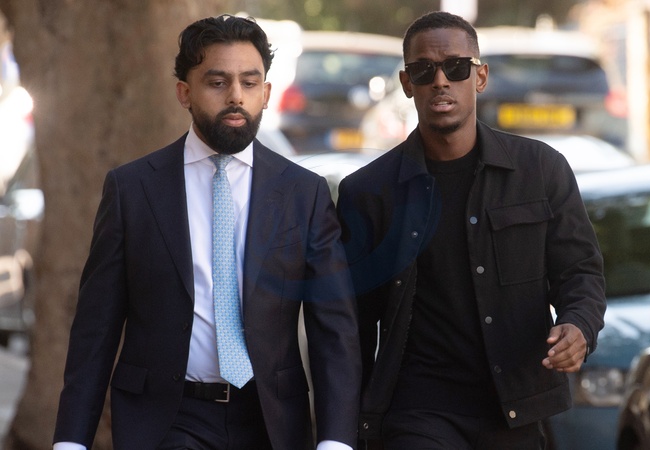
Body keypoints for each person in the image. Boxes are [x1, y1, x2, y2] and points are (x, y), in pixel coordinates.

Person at [53, 14, 360, 450]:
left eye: (249, 83)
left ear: (266, 93)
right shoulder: (133, 189)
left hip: (271, 420)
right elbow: (95, 326)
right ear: (185, 92)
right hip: (166, 418)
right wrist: (71, 441)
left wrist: (336, 440)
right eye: (217, 82)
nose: (236, 96)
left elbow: (334, 327)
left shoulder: (304, 193)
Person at [336, 11, 606, 450]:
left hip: (515, 405)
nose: (440, 81)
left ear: (479, 77)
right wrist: (348, 429)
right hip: (417, 412)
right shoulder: (368, 193)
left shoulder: (540, 170)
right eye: (424, 70)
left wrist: (579, 326)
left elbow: (580, 272)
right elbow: (353, 324)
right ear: (407, 84)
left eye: (456, 67)